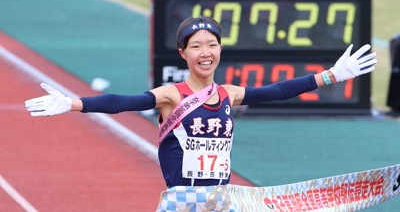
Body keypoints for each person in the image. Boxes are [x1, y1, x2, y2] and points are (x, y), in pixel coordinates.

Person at [25, 16, 377, 209]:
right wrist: (73, 103)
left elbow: (278, 90)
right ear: (183, 53)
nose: (205, 52)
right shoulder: (170, 95)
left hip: (222, 200)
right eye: (196, 46)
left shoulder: (228, 94)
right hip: (183, 202)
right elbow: (123, 101)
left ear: (220, 49)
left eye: (212, 44)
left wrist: (332, 75)